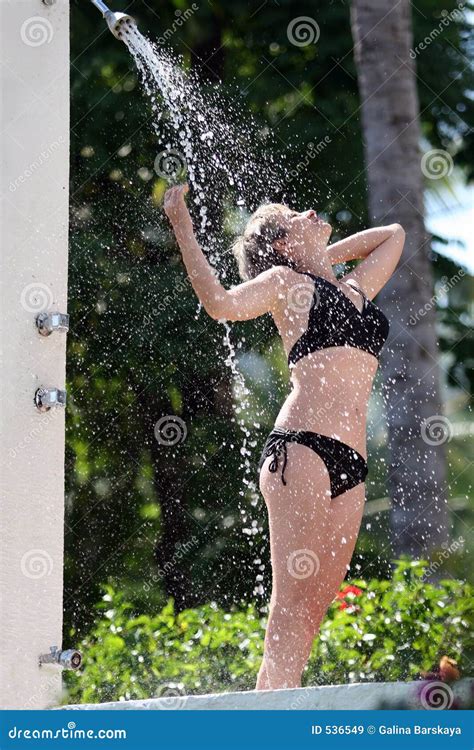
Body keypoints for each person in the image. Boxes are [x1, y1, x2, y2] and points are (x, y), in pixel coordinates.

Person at [163, 183, 405, 690]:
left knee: (316, 604)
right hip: (303, 447)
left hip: (352, 465)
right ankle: (268, 719)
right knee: (291, 599)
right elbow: (221, 304)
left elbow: (393, 235)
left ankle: (279, 705)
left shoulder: (354, 289)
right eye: (294, 215)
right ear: (278, 246)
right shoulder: (283, 285)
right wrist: (184, 230)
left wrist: (321, 256)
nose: (309, 209)